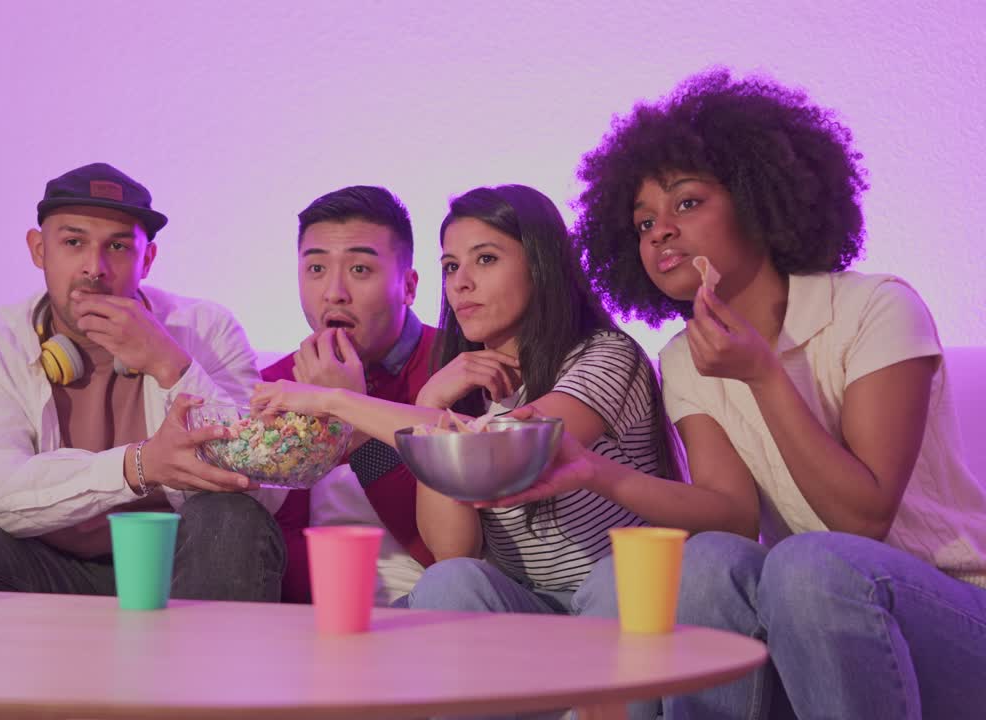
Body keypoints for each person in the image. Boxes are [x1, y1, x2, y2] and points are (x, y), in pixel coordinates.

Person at [544, 69, 986, 719]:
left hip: (948, 610)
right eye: (642, 223)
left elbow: (862, 520)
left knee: (810, 565)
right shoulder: (683, 360)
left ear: (757, 200)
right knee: (704, 562)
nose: (660, 231)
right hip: (809, 611)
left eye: (686, 203)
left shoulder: (875, 309)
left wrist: (763, 375)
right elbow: (730, 516)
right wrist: (592, 472)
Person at [252, 184, 678, 621]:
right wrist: (433, 402)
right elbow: (452, 551)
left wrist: (339, 403)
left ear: (542, 264)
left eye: (486, 259)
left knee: (614, 580)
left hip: (622, 587)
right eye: (451, 266)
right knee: (450, 580)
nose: (462, 282)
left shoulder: (605, 355)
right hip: (523, 601)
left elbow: (507, 451)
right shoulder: (461, 380)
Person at [0, 163, 287, 601]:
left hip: (177, 565)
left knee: (232, 518)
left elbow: (261, 493)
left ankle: (197, 670)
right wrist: (137, 466)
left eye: (118, 246)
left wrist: (170, 365)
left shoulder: (206, 329)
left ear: (147, 259)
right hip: (43, 567)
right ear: (38, 250)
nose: (94, 267)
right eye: (73, 242)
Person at [264, 185, 436, 605]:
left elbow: (446, 550)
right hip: (318, 620)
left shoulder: (456, 369)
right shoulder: (277, 382)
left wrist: (354, 414)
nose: (334, 292)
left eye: (360, 270)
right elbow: (277, 545)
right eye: (316, 269)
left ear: (409, 286)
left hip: (437, 608)